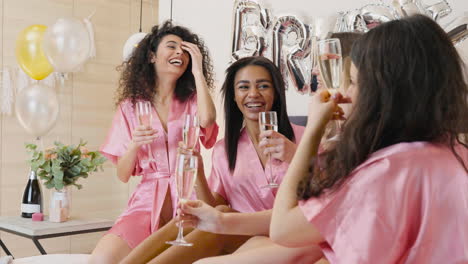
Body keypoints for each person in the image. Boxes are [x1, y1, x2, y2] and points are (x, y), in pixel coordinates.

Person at [270, 14, 468, 263]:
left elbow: (282, 229)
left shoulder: (386, 170)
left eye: (353, 82)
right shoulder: (454, 151)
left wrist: (312, 130)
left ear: (382, 92)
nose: (346, 93)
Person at [160, 56, 322, 264]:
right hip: (240, 234)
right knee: (194, 217)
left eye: (263, 86)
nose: (253, 94)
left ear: (276, 93)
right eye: (243, 87)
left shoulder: (308, 138)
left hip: (287, 234)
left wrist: (295, 156)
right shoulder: (224, 150)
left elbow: (327, 195)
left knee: (221, 214)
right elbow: (210, 208)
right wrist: (198, 172)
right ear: (234, 97)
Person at [90, 20, 218, 264]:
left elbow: (208, 118)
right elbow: (123, 174)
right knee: (102, 259)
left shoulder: (192, 101)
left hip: (189, 195)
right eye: (171, 46)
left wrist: (199, 71)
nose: (179, 52)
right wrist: (134, 145)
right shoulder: (130, 107)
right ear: (151, 57)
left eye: (185, 50)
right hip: (146, 201)